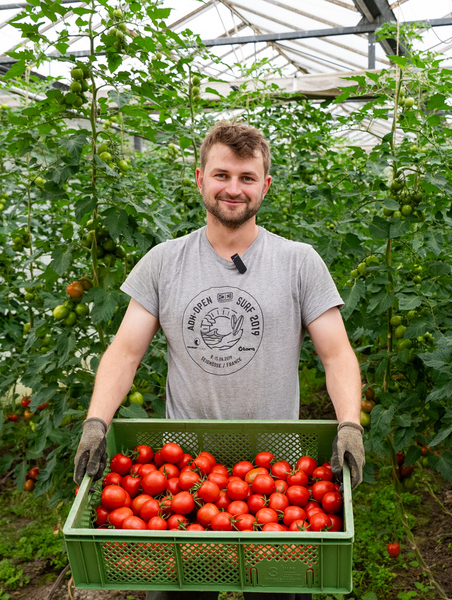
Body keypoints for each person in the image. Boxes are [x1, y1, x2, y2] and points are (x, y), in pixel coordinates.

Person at [74, 121, 365, 600]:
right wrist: (96, 421)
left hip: (278, 471)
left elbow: (337, 355)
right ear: (200, 179)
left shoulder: (299, 261)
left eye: (247, 178)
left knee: (279, 594)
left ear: (265, 185)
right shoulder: (163, 262)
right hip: (185, 471)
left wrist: (349, 424)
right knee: (181, 594)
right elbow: (125, 352)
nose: (234, 188)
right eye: (222, 175)